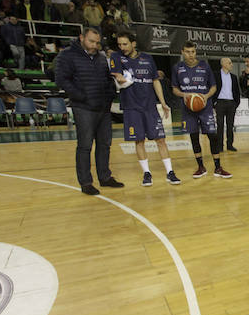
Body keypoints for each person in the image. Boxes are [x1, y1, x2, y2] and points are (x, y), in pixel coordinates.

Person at [54, 27, 124, 195]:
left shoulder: (100, 57)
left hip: (103, 107)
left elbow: (108, 79)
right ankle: (86, 182)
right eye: (91, 41)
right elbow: (61, 79)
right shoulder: (67, 55)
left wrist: (109, 96)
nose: (94, 45)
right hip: (83, 107)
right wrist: (80, 96)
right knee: (85, 146)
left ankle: (105, 177)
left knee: (105, 144)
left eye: (97, 42)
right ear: (81, 38)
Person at [108, 32, 180, 187]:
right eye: (119, 44)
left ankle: (170, 172)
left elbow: (155, 81)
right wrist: (122, 78)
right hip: (131, 107)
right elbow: (116, 74)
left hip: (150, 106)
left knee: (161, 139)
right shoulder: (117, 57)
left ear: (133, 43)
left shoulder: (147, 58)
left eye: (125, 44)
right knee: (139, 140)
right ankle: (147, 173)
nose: (122, 47)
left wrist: (163, 103)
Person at [171, 41, 231, 179]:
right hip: (188, 108)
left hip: (205, 107)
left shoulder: (205, 66)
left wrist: (206, 96)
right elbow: (174, 89)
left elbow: (213, 87)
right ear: (182, 52)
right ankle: (200, 167)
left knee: (213, 136)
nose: (190, 55)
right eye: (187, 52)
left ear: (195, 52)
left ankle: (218, 167)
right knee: (193, 136)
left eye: (193, 52)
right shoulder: (177, 68)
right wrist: (184, 95)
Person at [213, 57, 241, 152]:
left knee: (230, 125)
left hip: (231, 103)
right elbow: (212, 88)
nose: (231, 64)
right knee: (220, 125)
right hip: (220, 102)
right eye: (229, 63)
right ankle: (219, 146)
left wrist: (236, 103)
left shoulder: (233, 77)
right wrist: (214, 102)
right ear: (223, 64)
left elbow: (237, 91)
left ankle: (230, 145)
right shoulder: (216, 75)